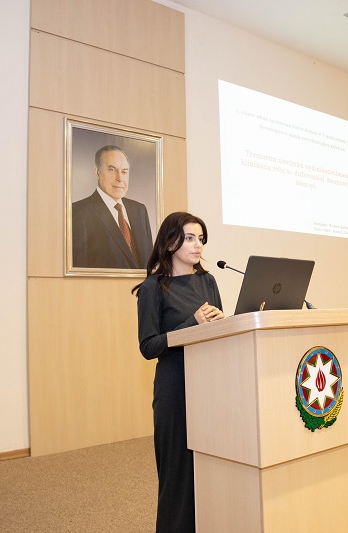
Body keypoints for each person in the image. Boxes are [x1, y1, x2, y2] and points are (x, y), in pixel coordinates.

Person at [132, 211, 224, 533]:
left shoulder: (208, 281)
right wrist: (191, 323)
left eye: (201, 239)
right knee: (178, 478)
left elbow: (215, 331)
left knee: (210, 473)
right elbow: (148, 346)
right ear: (170, 242)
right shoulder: (153, 287)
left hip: (209, 386)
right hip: (176, 390)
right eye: (189, 238)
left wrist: (226, 322)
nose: (198, 245)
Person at [72, 145, 154, 269]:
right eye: (112, 170)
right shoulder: (79, 212)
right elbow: (79, 271)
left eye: (124, 172)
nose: (119, 178)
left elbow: (150, 264)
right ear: (97, 171)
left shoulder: (140, 210)